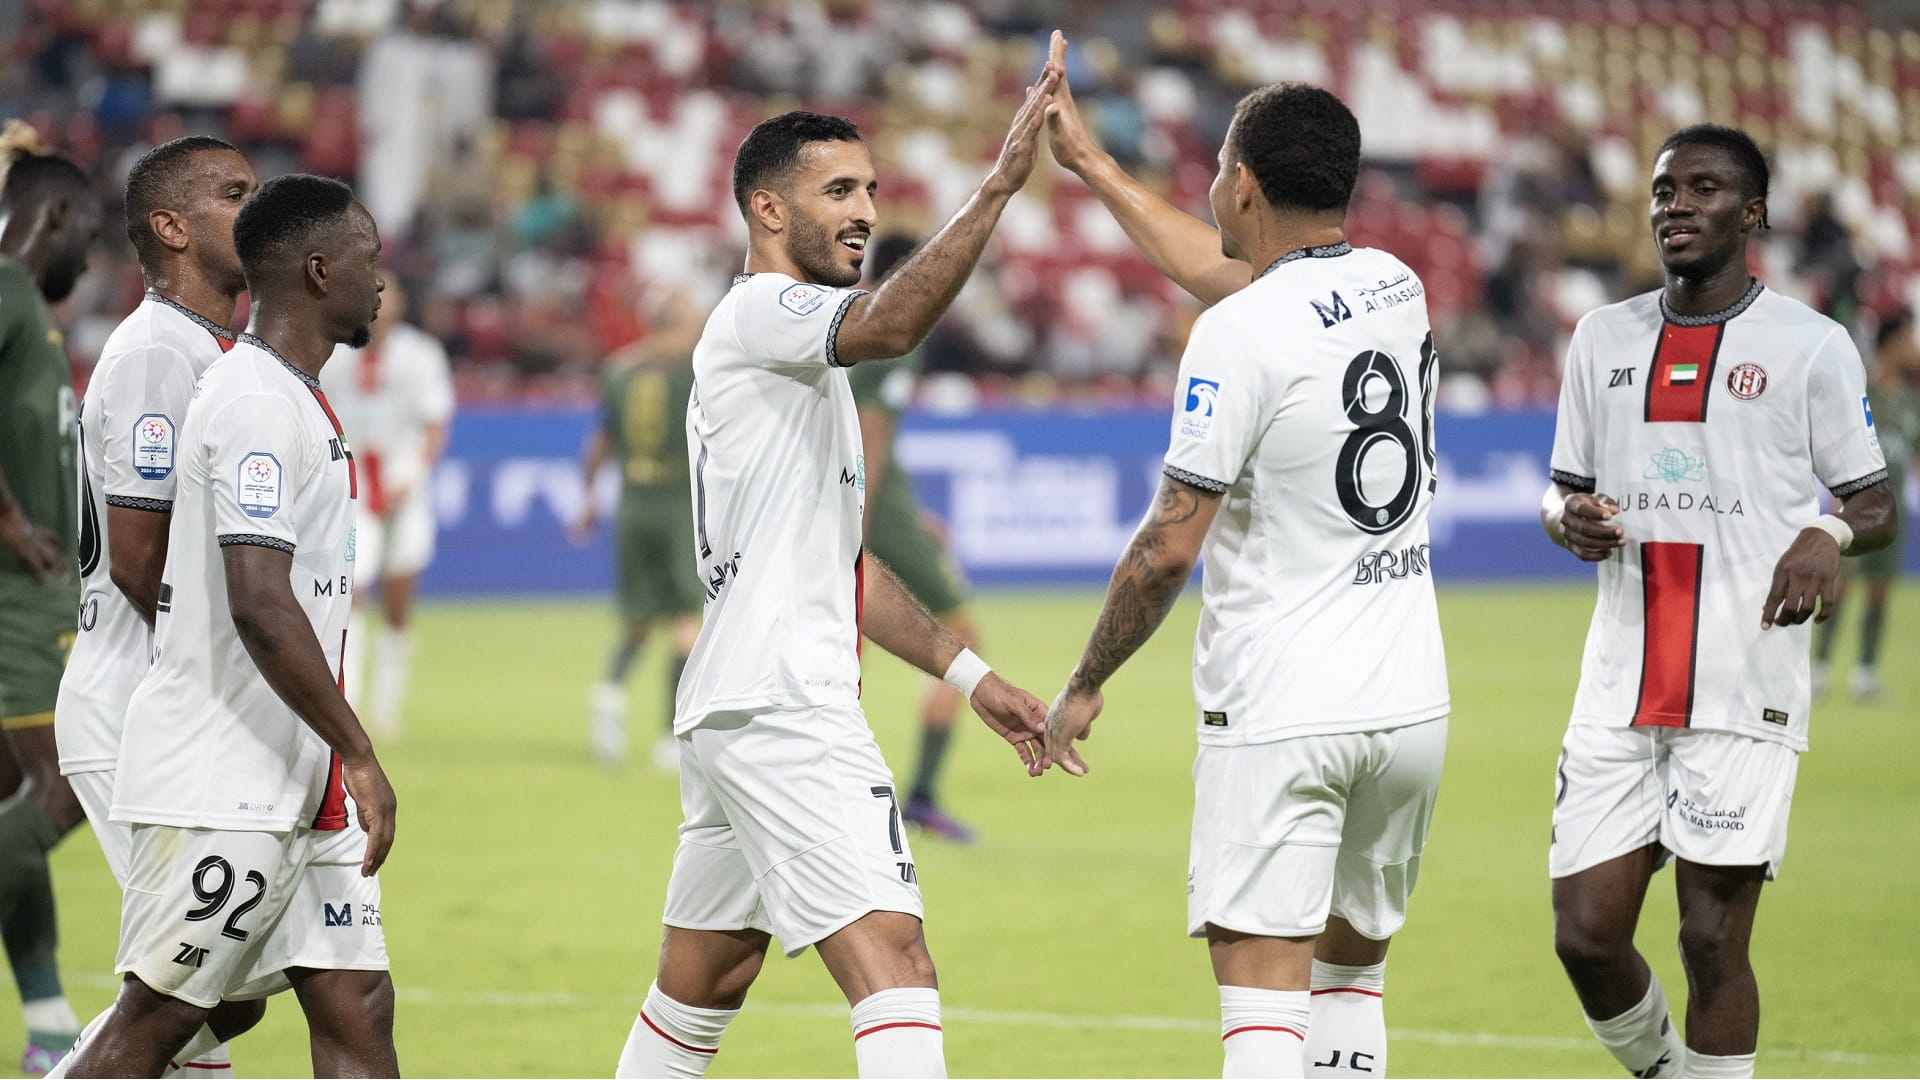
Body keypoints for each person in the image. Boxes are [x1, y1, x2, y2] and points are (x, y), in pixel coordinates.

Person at [613, 46, 1064, 1080]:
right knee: (896, 964)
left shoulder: (797, 365)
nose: (864, 211)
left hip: (740, 702)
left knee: (703, 985)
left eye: (870, 189)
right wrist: (998, 185)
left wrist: (971, 676)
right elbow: (894, 322)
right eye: (839, 191)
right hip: (785, 703)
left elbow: (844, 569)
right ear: (767, 209)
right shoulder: (762, 310)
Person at [1042, 58, 1450, 1080]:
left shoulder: (1235, 335)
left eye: (1221, 166)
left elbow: (1165, 552)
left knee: (1264, 999)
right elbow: (1243, 282)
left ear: (1246, 186)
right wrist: (1090, 161)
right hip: (1408, 706)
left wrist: (1086, 681)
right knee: (1348, 985)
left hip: (1284, 709)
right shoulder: (1395, 286)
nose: (1214, 184)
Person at [1541, 125, 1896, 1080]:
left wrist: (1825, 535)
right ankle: (1665, 1069)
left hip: (1744, 680)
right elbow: (1560, 489)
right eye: (1665, 189)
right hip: (1620, 679)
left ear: (1752, 213)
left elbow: (1875, 502)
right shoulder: (1601, 338)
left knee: (1710, 937)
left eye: (1703, 188)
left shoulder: (1811, 347)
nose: (1676, 205)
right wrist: (1564, 518)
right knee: (1586, 936)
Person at [62, 173, 400, 1079]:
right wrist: (360, 751)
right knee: (166, 1016)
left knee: (358, 1003)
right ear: (320, 271)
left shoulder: (290, 392)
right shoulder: (253, 400)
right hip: (223, 775)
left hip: (297, 768)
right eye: (370, 259)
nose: (381, 280)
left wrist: (334, 756)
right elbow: (258, 598)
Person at [48, 134, 260, 1080]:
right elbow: (142, 561)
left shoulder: (221, 351)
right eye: (234, 194)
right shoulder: (154, 356)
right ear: (172, 228)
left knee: (219, 988)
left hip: (184, 703)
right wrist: (258, 664)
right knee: (191, 988)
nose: (256, 209)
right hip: (139, 704)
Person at [0, 121, 100, 1076]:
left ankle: (48, 1023)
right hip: (18, 606)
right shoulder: (6, 291)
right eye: (90, 233)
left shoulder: (27, 307)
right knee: (68, 787)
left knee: (13, 805)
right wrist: (6, 516)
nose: (91, 258)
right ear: (57, 216)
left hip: (35, 601)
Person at [849, 232, 985, 843]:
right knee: (962, 634)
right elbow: (871, 434)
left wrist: (910, 515)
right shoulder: (896, 332)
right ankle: (922, 796)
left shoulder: (853, 321)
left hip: (875, 502)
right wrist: (860, 524)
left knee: (845, 643)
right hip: (868, 506)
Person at [572, 285, 706, 771]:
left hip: (633, 506)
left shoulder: (619, 370)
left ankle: (609, 693)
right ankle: (671, 735)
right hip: (680, 507)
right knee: (689, 619)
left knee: (638, 619)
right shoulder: (696, 372)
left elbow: (600, 442)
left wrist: (588, 500)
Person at [322, 276, 456, 738]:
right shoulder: (335, 351)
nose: (380, 301)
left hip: (404, 487)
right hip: (354, 489)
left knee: (398, 602)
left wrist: (413, 474)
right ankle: (350, 702)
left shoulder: (421, 355)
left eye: (388, 294)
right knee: (352, 591)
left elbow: (435, 423)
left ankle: (387, 707)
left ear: (401, 303)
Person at [1812, 307, 1920, 700]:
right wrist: (1837, 502)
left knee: (1879, 591)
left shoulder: (1910, 399)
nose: (1915, 348)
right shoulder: (1863, 390)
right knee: (1840, 588)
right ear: (1892, 342)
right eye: (1909, 339)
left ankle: (1865, 672)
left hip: (1893, 513)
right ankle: (1820, 668)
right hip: (1856, 508)